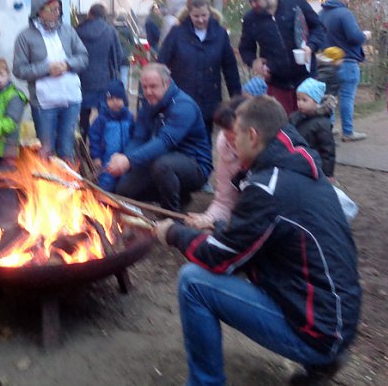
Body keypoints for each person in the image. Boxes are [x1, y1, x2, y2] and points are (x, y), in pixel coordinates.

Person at [154, 96, 361, 384]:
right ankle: (321, 365)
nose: (231, 142)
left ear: (252, 136)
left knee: (193, 282)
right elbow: (252, 236)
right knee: (240, 253)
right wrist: (220, 228)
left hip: (319, 331)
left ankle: (206, 382)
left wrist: (173, 233)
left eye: (235, 134)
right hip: (337, 319)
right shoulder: (299, 170)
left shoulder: (268, 188)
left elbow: (218, 258)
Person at [107, 63, 211, 212]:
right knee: (125, 190)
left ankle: (171, 216)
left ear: (167, 83)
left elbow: (165, 142)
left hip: (193, 164)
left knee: (163, 165)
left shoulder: (183, 106)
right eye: (145, 87)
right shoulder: (148, 104)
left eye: (153, 86)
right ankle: (179, 195)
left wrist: (129, 161)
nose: (148, 91)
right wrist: (124, 158)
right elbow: (139, 138)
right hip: (161, 160)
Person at [13, 0, 88, 162]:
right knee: (46, 151)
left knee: (67, 148)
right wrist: (46, 69)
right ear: (39, 10)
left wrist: (68, 64)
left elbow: (84, 57)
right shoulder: (25, 37)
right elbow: (19, 70)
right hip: (44, 104)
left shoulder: (68, 31)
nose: (57, 13)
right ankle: (49, 186)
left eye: (58, 9)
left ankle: (69, 186)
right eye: (52, 9)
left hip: (71, 100)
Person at [158, 0, 241, 137]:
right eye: (196, 16)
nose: (201, 20)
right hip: (181, 99)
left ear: (210, 13)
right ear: (189, 14)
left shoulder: (220, 34)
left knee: (204, 142)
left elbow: (230, 69)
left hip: (209, 101)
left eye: (204, 15)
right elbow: (161, 65)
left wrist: (237, 100)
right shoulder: (177, 33)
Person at [238, 0, 325, 114]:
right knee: (282, 128)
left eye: (256, 0)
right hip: (277, 84)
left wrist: (311, 46)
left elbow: (319, 28)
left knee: (310, 126)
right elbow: (245, 49)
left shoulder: (295, 2)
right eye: (250, 1)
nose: (253, 4)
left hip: (306, 79)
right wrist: (253, 62)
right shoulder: (250, 19)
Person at [183, 96, 245, 230]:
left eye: (234, 132)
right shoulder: (226, 149)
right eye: (226, 131)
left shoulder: (269, 160)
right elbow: (224, 202)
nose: (230, 138)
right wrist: (208, 218)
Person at [319, 0, 367, 142]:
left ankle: (329, 127)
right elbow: (355, 37)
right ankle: (348, 131)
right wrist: (365, 35)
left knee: (330, 95)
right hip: (347, 61)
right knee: (347, 96)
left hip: (327, 62)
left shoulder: (321, 13)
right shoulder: (344, 13)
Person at [75, 3, 123, 138]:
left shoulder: (78, 31)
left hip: (82, 79)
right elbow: (118, 55)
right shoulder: (110, 31)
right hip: (104, 79)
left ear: (90, 14)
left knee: (83, 115)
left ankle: (83, 145)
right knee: (105, 116)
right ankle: (102, 145)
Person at [88, 80, 134, 192]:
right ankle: (103, 200)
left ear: (124, 100)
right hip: (107, 160)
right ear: (106, 101)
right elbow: (94, 138)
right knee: (106, 182)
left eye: (118, 99)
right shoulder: (101, 119)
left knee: (125, 184)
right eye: (111, 99)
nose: (115, 102)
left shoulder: (129, 117)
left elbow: (134, 135)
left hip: (125, 158)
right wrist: (96, 156)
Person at [289, 77, 337, 178]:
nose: (300, 103)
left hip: (314, 165)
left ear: (316, 101)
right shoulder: (294, 117)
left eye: (304, 100)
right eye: (298, 99)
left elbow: (328, 150)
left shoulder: (322, 123)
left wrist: (328, 174)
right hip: (295, 162)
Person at [114, 12, 137, 91]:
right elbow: (132, 43)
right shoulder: (128, 30)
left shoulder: (113, 30)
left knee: (116, 74)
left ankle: (115, 90)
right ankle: (122, 91)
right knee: (124, 74)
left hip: (115, 55)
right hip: (126, 55)